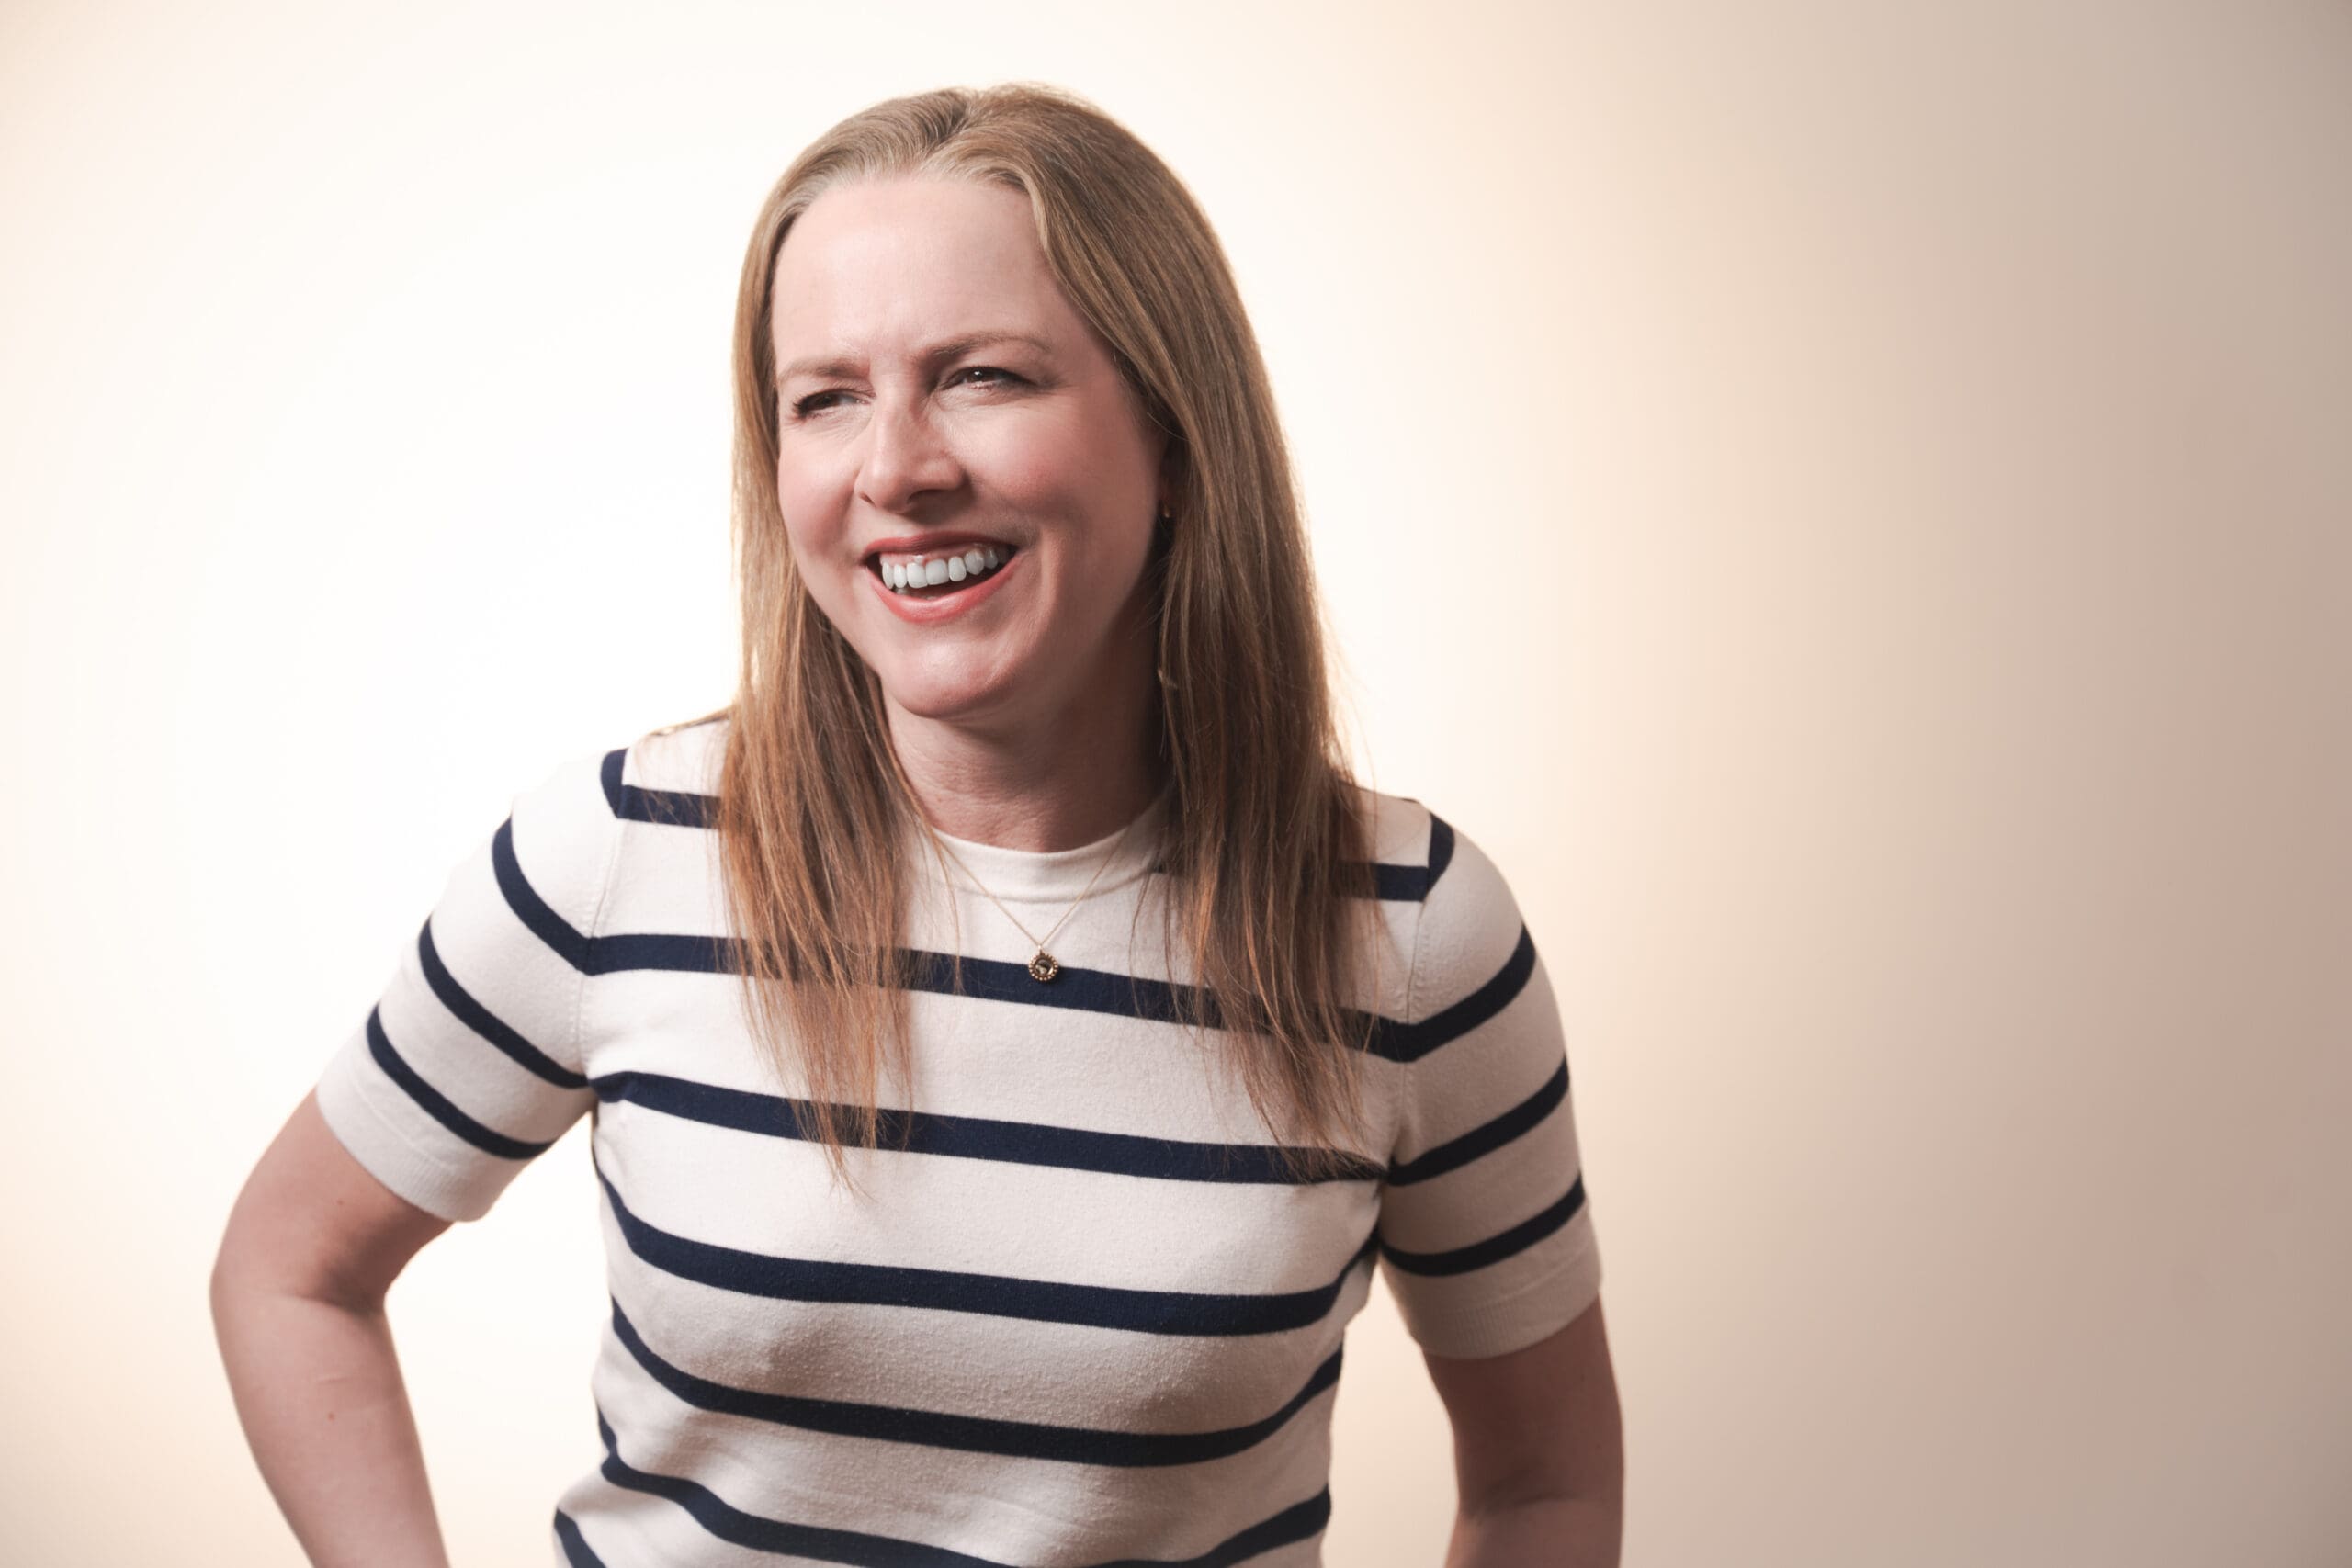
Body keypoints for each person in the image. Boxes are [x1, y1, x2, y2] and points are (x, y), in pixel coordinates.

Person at [209, 82, 1622, 1567]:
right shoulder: (622, 857)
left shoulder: (1407, 937)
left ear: (1174, 431)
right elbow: (288, 1266)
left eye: (984, 377)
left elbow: (1545, 1488)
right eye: (827, 396)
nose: (896, 469)